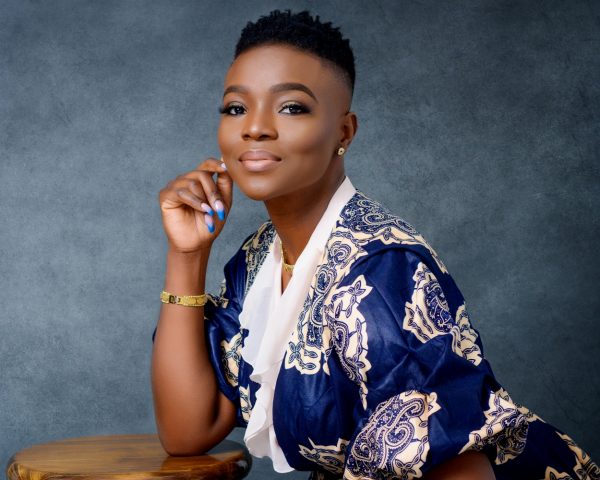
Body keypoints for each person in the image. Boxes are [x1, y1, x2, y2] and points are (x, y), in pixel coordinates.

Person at [151, 9, 598, 480]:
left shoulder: (382, 272)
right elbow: (187, 431)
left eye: (292, 107)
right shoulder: (259, 259)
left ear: (344, 132)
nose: (254, 128)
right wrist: (187, 255)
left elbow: (451, 464)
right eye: (235, 108)